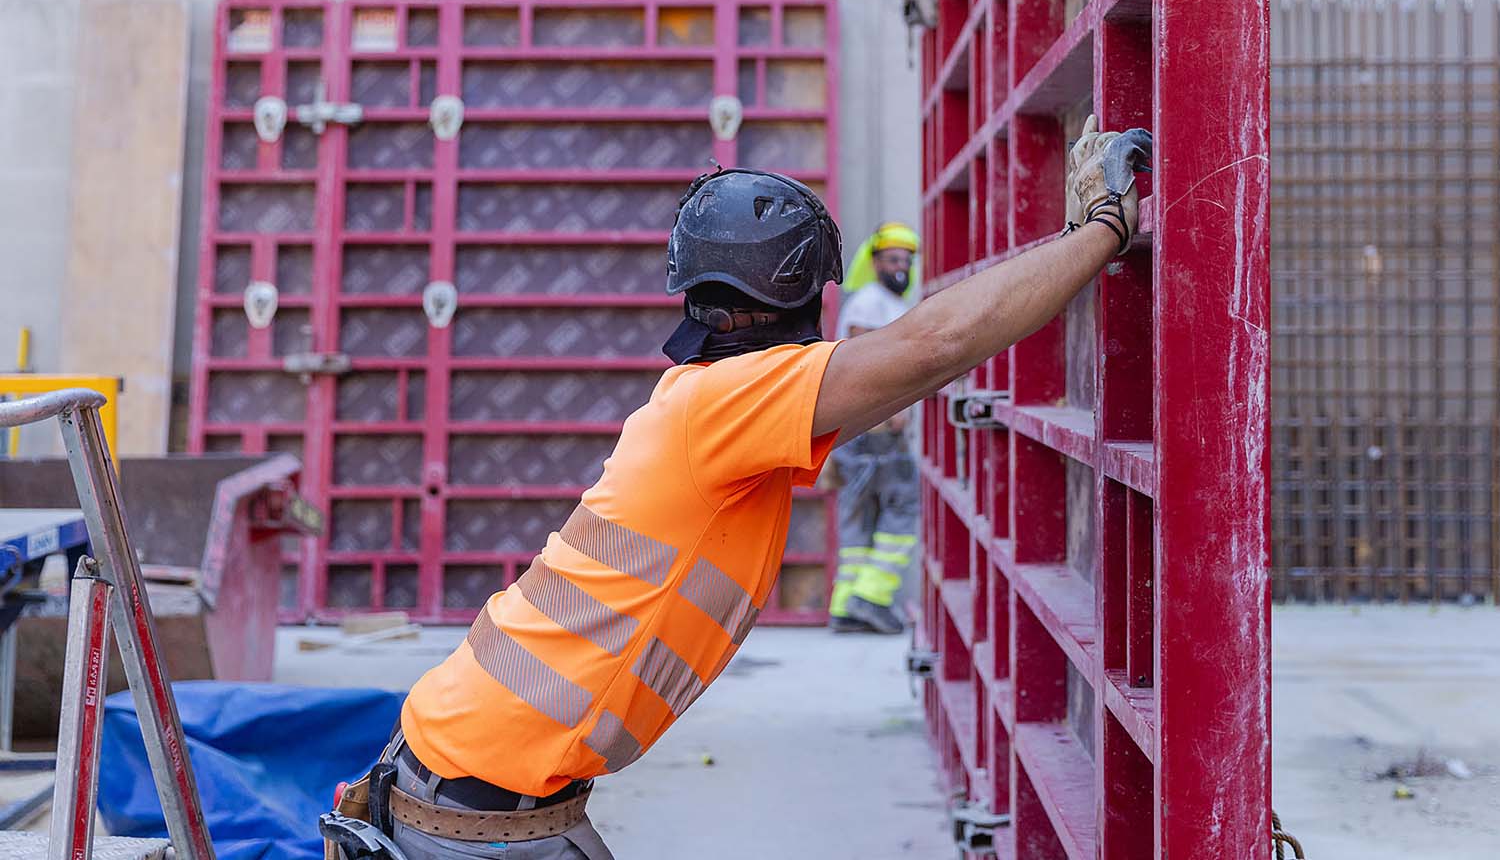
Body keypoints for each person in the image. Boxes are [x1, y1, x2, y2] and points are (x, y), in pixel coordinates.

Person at [321, 117, 1150, 860]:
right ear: (802, 292)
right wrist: (1102, 231)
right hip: (477, 807)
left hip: (468, 776)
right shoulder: (728, 403)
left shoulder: (706, 400)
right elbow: (935, 345)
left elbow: (909, 373)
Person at [827, 222, 922, 635]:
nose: (900, 267)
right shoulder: (869, 303)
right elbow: (863, 366)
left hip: (860, 428)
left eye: (906, 259)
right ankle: (873, 598)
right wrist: (887, 413)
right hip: (875, 428)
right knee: (903, 505)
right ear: (876, 261)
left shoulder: (881, 301)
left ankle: (846, 606)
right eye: (893, 259)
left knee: (861, 518)